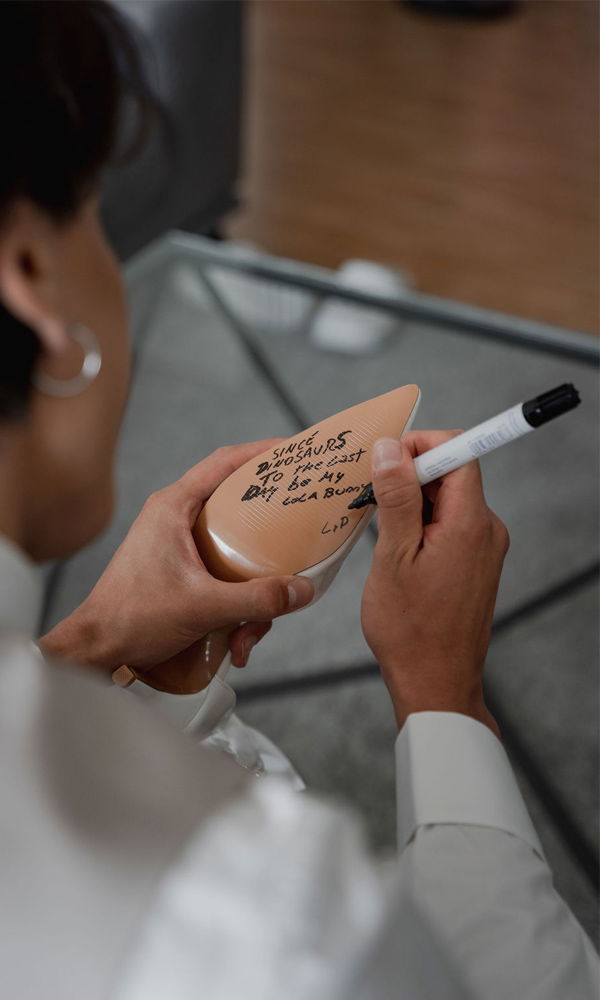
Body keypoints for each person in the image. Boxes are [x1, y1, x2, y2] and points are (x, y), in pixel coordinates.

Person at [0, 3, 596, 998]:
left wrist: (97, 642)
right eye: (94, 216)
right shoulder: (265, 922)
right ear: (30, 276)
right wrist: (442, 693)